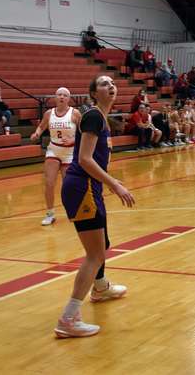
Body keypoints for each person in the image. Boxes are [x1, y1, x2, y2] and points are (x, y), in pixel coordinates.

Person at [56, 75, 134, 338]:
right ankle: (69, 318)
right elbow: (85, 159)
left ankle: (100, 287)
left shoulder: (101, 118)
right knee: (94, 254)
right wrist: (115, 184)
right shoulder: (93, 116)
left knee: (103, 243)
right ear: (93, 92)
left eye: (112, 83)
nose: (110, 86)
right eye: (103, 84)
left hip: (90, 187)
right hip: (82, 187)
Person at [30, 88, 81, 227]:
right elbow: (41, 127)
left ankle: (73, 210)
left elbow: (83, 134)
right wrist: (37, 134)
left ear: (69, 98)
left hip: (70, 152)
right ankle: (50, 213)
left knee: (68, 186)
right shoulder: (49, 113)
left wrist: (73, 141)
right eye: (59, 95)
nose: (62, 97)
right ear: (55, 97)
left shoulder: (75, 113)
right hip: (54, 150)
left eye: (65, 95)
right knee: (49, 183)